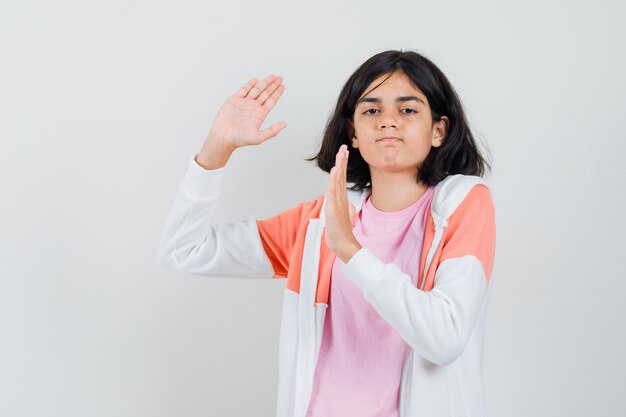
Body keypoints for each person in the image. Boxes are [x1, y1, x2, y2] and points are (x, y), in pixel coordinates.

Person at [157, 49, 496, 417]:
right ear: (353, 132)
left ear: (438, 130)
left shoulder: (463, 205)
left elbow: (444, 339)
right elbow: (182, 249)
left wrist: (350, 250)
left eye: (408, 109)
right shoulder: (320, 221)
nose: (388, 122)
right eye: (371, 110)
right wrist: (217, 147)